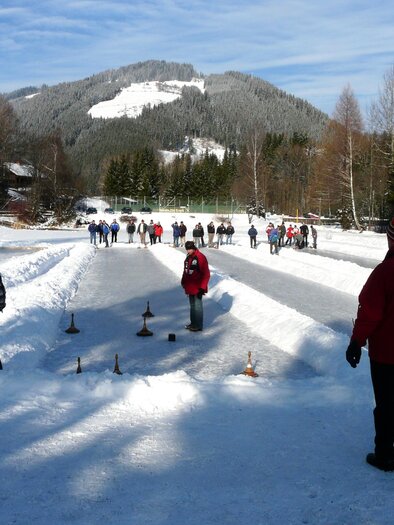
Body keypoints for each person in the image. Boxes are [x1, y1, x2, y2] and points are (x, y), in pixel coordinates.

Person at [346, 218, 394, 471]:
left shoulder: (385, 272)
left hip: (388, 355)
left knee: (387, 405)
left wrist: (356, 341)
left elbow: (370, 313)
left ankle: (386, 454)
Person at [181, 240, 210, 332]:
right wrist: (183, 281)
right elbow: (186, 271)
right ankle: (193, 323)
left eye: (189, 249)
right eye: (187, 249)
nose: (188, 251)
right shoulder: (188, 257)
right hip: (190, 286)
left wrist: (202, 287)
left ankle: (198, 325)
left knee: (197, 306)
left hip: (198, 287)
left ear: (193, 248)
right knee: (192, 306)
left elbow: (206, 274)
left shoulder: (200, 257)